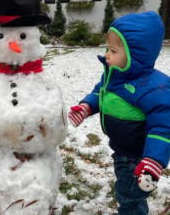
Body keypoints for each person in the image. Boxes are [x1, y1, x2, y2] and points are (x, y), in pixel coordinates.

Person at [68, 11, 170, 215]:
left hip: (138, 158)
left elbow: (162, 127)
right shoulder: (115, 76)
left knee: (129, 196)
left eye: (113, 51)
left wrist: (153, 161)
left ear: (136, 55)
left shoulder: (153, 88)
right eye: (107, 49)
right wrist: (87, 106)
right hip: (122, 151)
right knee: (126, 190)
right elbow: (101, 92)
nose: (107, 54)